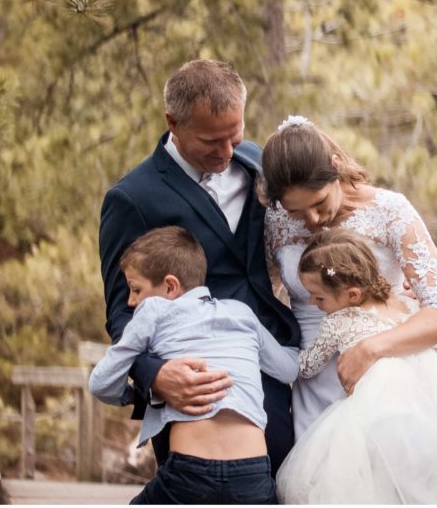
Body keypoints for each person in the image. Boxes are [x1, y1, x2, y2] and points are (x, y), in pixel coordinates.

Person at [98, 60, 300, 473]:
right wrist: (155, 375)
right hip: (191, 379)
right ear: (173, 122)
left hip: (264, 358)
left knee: (276, 486)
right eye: (212, 141)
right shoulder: (132, 198)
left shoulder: (257, 162)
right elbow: (123, 310)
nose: (227, 153)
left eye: (235, 135)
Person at [261, 114, 437, 437]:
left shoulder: (389, 211)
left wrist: (372, 347)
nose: (311, 220)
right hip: (312, 386)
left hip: (386, 378)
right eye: (296, 211)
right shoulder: (276, 224)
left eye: (319, 202)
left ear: (336, 166)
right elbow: (264, 295)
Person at [275, 228, 437, 504]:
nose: (312, 302)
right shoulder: (408, 307)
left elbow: (307, 366)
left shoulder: (338, 321)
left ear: (353, 295)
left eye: (318, 297)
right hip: (427, 417)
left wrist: (275, 348)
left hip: (375, 421)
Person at [90, 226, 298, 504]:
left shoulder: (154, 311)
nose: (131, 301)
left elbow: (101, 383)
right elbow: (289, 369)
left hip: (189, 474)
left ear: (170, 287)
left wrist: (133, 394)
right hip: (254, 473)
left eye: (136, 289)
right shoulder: (242, 313)